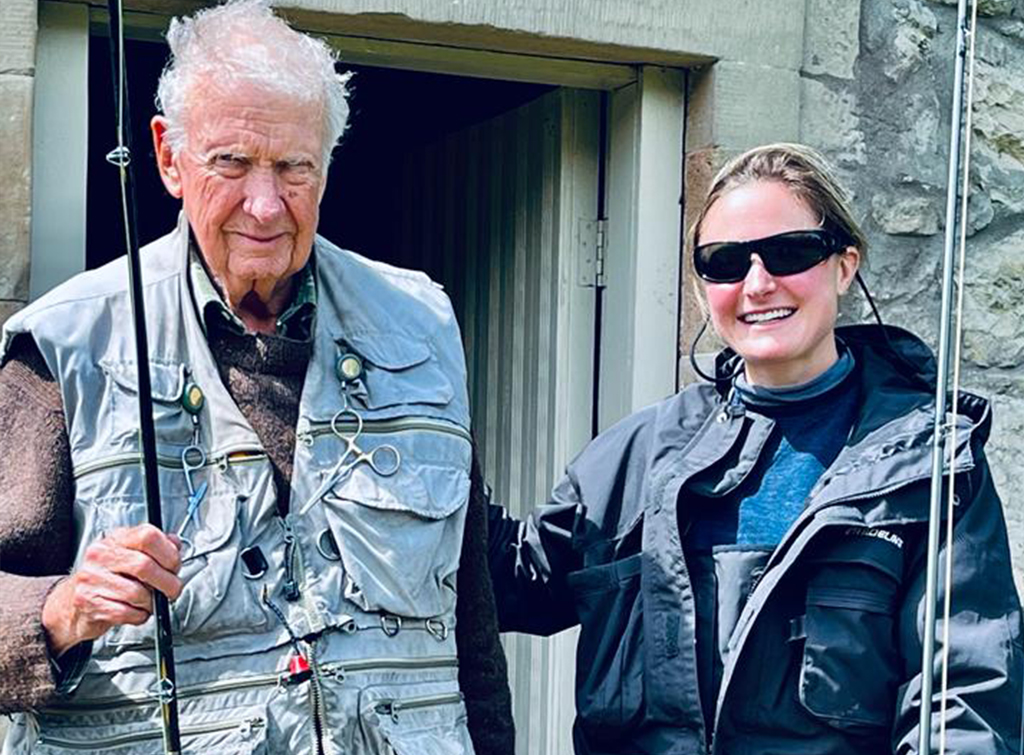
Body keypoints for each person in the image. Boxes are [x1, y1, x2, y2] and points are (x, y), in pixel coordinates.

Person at [0, 1, 513, 753]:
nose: (266, 205)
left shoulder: (421, 323)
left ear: (328, 164)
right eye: (232, 163)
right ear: (169, 157)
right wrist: (61, 609)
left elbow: (470, 618)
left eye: (294, 167)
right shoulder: (64, 345)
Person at [487, 143, 1023, 754]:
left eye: (790, 252)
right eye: (726, 262)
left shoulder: (927, 463)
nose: (758, 283)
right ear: (701, 287)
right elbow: (506, 583)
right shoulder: (630, 460)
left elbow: (966, 704)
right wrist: (421, 423)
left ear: (845, 266)